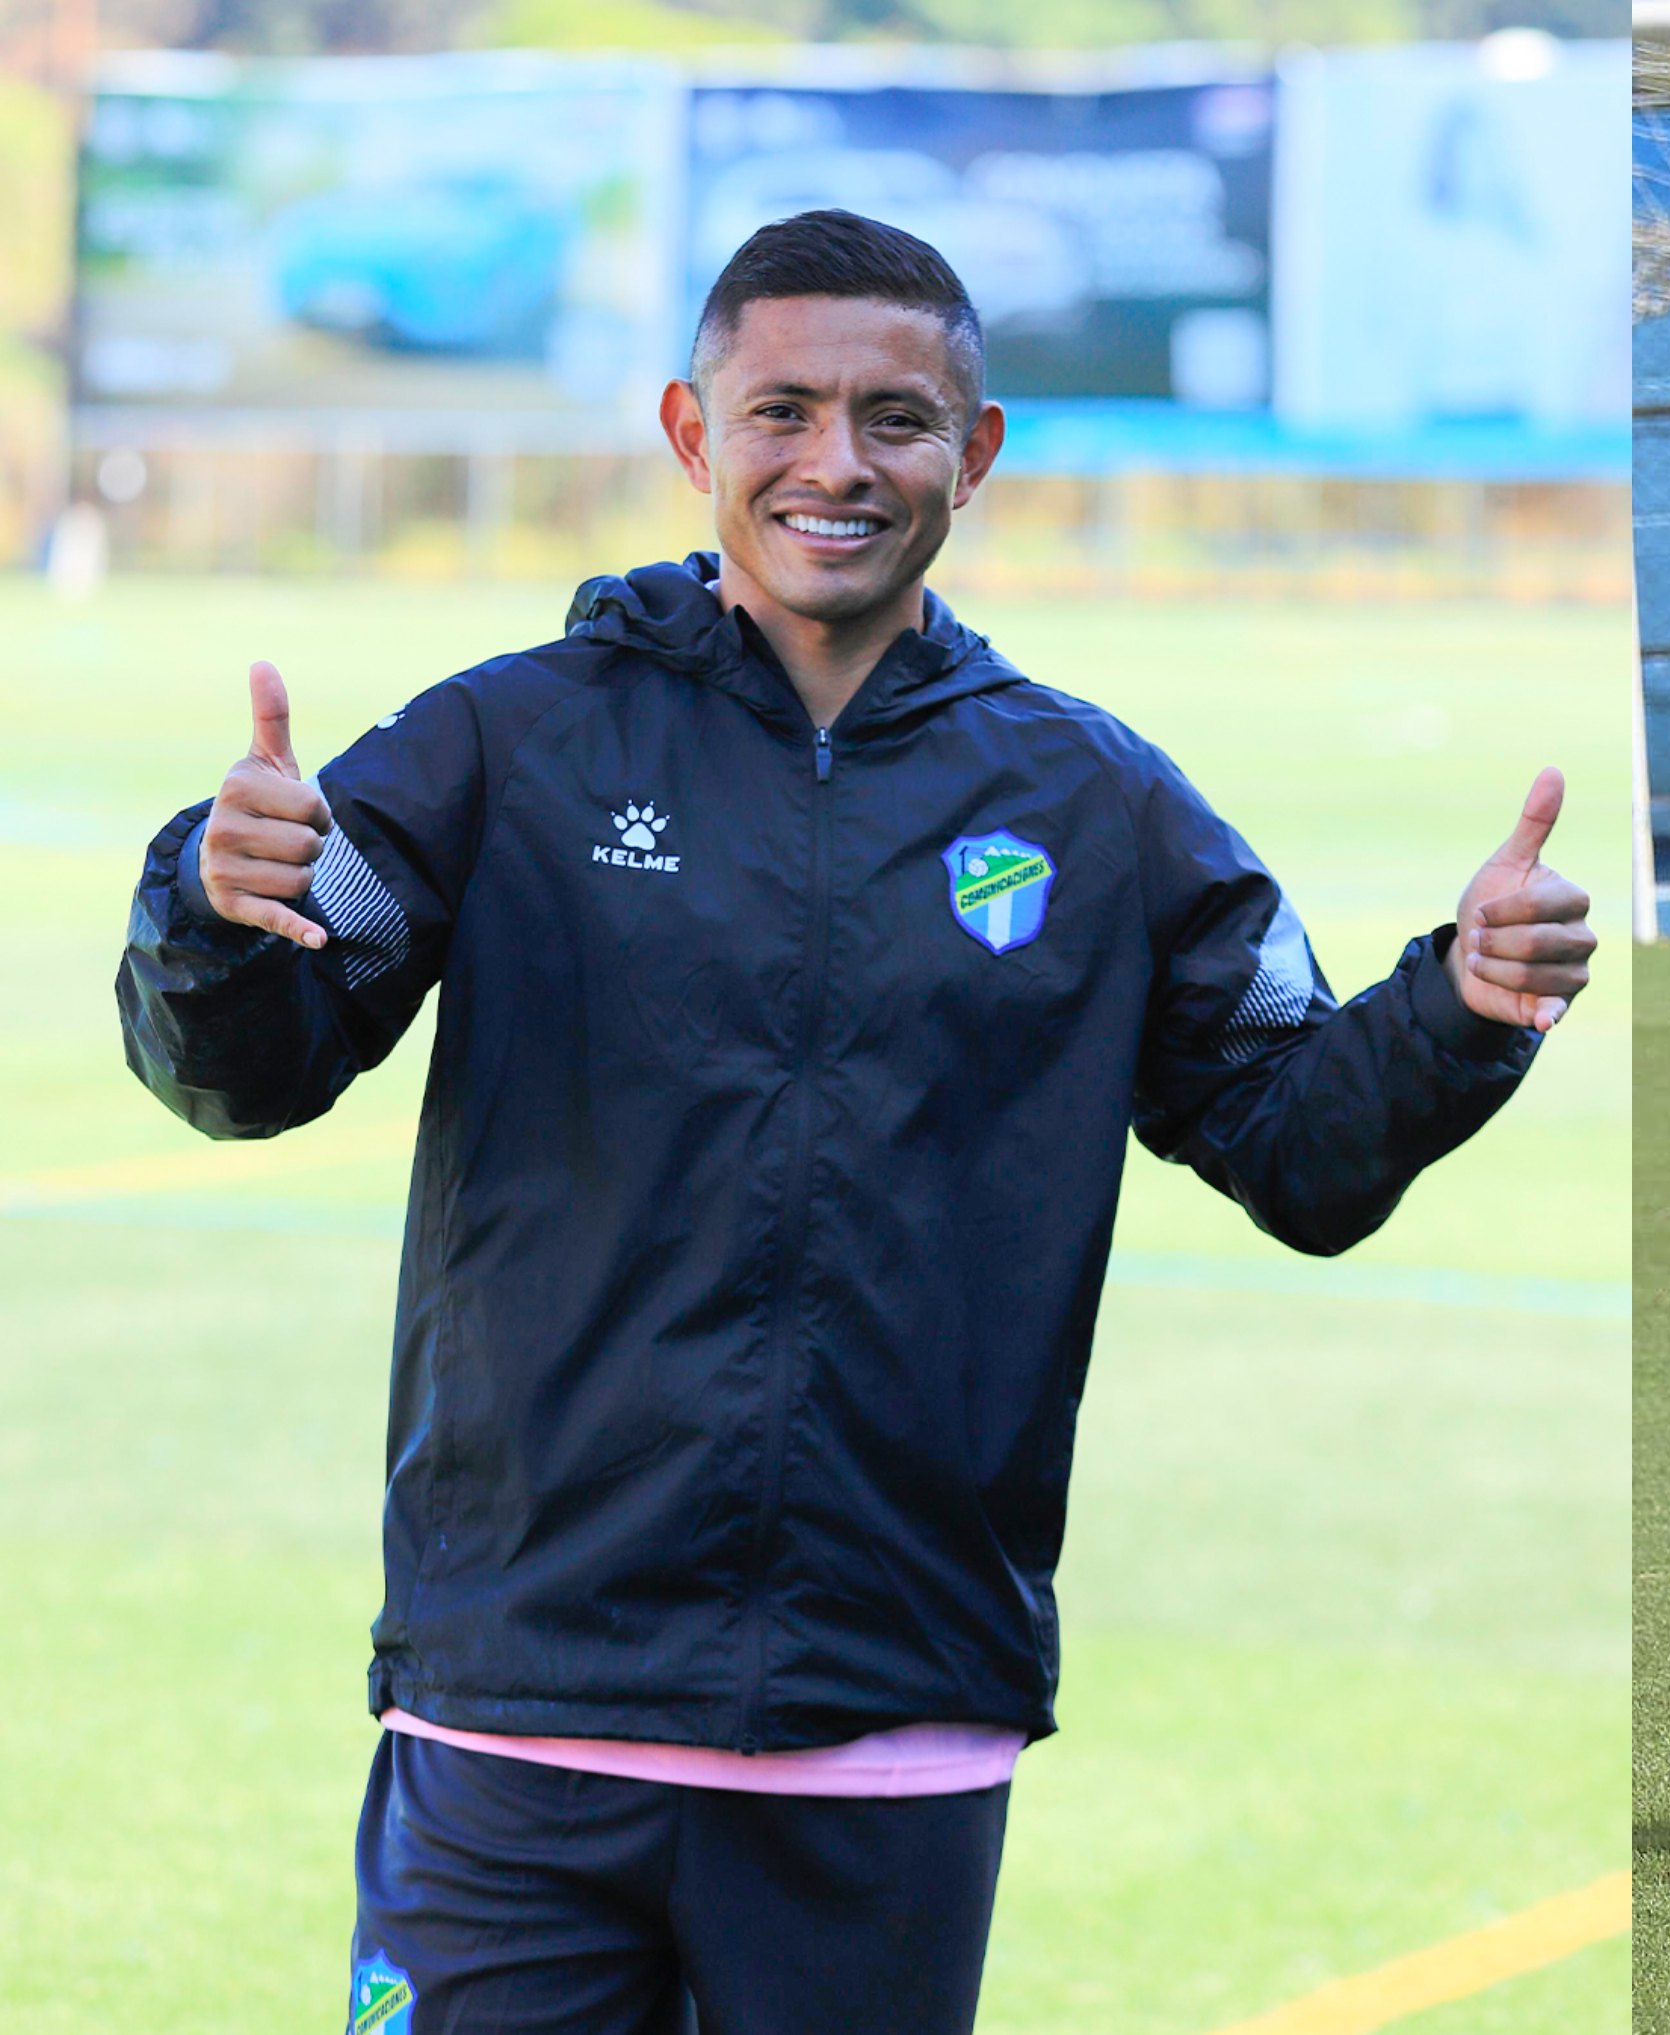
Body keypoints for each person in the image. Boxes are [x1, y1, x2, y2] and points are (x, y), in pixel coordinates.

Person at [117, 209, 1595, 2032]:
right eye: (783, 410)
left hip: (887, 1725)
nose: (836, 463)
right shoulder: (505, 745)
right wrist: (212, 903)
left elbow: (1294, 1143)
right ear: (690, 432)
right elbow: (249, 1066)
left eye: (895, 419)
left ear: (973, 456)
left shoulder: (1095, 799)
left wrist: (1455, 1009)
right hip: (521, 1704)